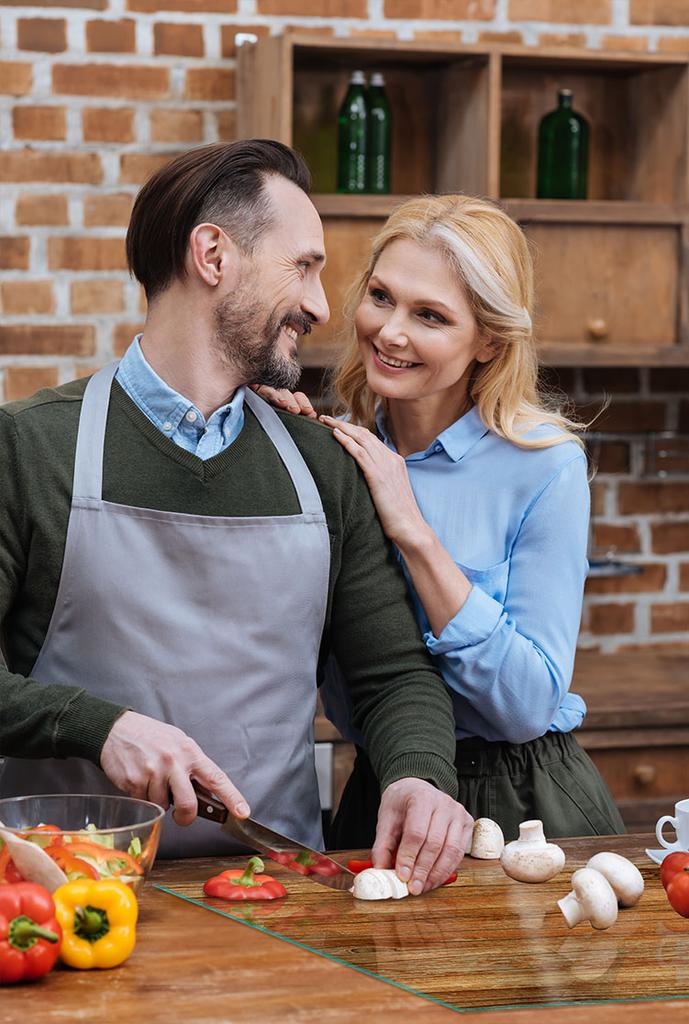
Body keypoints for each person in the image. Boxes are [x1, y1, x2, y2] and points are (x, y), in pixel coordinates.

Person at [0, 142, 474, 892]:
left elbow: (390, 673)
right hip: (62, 895)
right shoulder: (29, 447)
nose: (322, 306)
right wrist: (102, 725)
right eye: (303, 267)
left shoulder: (321, 466)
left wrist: (416, 773)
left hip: (274, 892)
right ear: (213, 255)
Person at [259, 193, 625, 847]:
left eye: (429, 315)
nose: (390, 331)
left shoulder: (543, 466)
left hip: (522, 801)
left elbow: (525, 705)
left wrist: (414, 533)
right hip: (381, 789)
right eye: (380, 296)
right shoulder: (332, 453)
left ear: (487, 340)